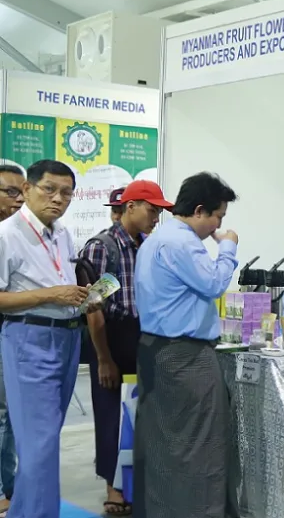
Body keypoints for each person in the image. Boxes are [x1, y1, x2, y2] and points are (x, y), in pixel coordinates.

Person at [133, 172, 238, 518]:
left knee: (162, 445)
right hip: (186, 355)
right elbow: (214, 283)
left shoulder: (155, 239)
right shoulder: (182, 242)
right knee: (200, 445)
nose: (219, 226)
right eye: (218, 216)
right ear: (199, 210)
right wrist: (228, 246)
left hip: (156, 348)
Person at [0, 160, 99, 518]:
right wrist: (51, 295)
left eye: (67, 193)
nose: (58, 199)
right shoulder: (6, 234)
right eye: (50, 189)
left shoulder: (63, 234)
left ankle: (23, 512)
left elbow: (60, 284)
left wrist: (84, 298)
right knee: (39, 445)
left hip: (68, 337)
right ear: (27, 190)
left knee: (43, 441)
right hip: (29, 338)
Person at [82, 181, 172, 516]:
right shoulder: (102, 247)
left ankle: (138, 482)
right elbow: (93, 308)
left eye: (160, 212)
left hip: (142, 336)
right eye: (152, 210)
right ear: (130, 207)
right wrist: (103, 358)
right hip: (111, 336)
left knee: (140, 414)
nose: (156, 218)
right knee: (111, 417)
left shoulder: (148, 246)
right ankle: (114, 487)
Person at [0, 165, 23, 515]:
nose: (18, 200)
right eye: (10, 192)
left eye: (23, 192)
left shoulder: (19, 235)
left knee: (10, 415)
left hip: (17, 336)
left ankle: (9, 486)